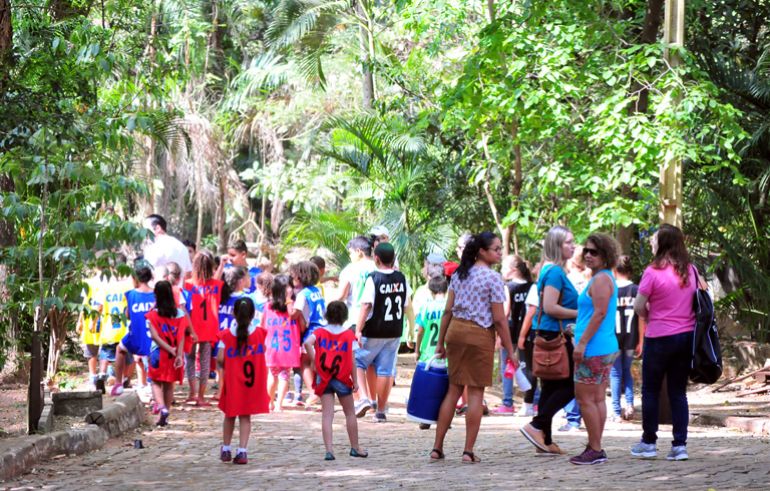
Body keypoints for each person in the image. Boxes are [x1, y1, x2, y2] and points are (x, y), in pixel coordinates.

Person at [429, 232, 516, 464]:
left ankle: (437, 447)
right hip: (480, 335)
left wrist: (440, 342)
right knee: (476, 393)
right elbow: (499, 319)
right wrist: (510, 349)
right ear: (482, 251)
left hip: (455, 331)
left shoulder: (459, 274)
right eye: (496, 249)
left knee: (453, 390)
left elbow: (447, 310)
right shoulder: (493, 279)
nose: (499, 252)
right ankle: (468, 451)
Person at [631, 224, 699, 462]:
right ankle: (679, 445)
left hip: (659, 337)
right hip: (686, 337)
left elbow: (639, 306)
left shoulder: (652, 271)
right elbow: (700, 300)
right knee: (678, 392)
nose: (651, 243)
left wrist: (651, 315)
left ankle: (649, 442)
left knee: (650, 389)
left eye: (654, 240)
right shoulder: (691, 271)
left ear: (662, 244)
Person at [520, 225, 578, 456]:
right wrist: (581, 313)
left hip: (549, 334)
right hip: (554, 336)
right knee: (571, 384)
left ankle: (544, 437)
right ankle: (537, 425)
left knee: (551, 386)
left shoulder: (551, 270)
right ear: (556, 245)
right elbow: (549, 307)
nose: (573, 246)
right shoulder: (554, 272)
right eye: (568, 242)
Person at [570, 234, 621, 465]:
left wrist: (581, 343)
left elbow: (600, 313)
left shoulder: (601, 279)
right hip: (602, 346)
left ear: (606, 255)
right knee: (597, 398)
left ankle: (595, 448)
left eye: (594, 252)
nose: (588, 255)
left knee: (586, 399)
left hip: (593, 348)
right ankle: (595, 446)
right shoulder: (604, 277)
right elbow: (595, 313)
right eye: (586, 251)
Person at [353, 242, 412, 422]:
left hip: (374, 330)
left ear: (376, 259)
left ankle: (364, 398)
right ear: (393, 259)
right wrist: (410, 326)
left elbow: (365, 306)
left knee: (357, 361)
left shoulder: (374, 278)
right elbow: (407, 305)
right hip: (394, 331)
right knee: (385, 371)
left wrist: (358, 329)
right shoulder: (402, 278)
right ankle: (380, 411)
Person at [304, 301, 368, 461]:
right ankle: (355, 447)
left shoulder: (319, 332)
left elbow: (307, 343)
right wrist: (355, 381)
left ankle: (329, 450)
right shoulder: (348, 335)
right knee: (350, 414)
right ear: (344, 316)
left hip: (324, 376)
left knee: (327, 415)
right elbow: (353, 361)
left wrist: (315, 361)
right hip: (342, 377)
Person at [217, 297, 270, 465]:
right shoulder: (261, 334)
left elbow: (219, 359)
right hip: (251, 385)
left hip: (233, 384)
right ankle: (242, 451)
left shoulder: (225, 335)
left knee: (229, 416)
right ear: (253, 314)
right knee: (245, 417)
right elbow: (264, 351)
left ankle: (226, 449)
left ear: (234, 313)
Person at [184, 251, 225, 406]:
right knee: (205, 361)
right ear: (210, 267)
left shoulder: (188, 284)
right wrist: (221, 266)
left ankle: (191, 393)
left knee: (190, 360)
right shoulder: (216, 285)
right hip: (209, 328)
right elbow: (217, 278)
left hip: (191, 327)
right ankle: (201, 397)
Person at [146, 281, 188, 426]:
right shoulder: (180, 314)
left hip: (157, 352)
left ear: (156, 295)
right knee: (169, 384)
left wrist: (168, 349)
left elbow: (154, 336)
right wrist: (178, 354)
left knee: (155, 381)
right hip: (174, 353)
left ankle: (162, 407)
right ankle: (166, 413)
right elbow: (182, 336)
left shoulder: (152, 315)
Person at [111, 263, 155, 396]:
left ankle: (118, 383)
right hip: (153, 336)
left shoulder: (130, 295)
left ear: (135, 278)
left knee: (120, 349)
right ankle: (153, 386)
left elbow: (128, 315)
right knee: (153, 357)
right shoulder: (155, 294)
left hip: (135, 335)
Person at [498, 255, 533, 414]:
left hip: (510, 331)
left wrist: (499, 335)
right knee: (529, 367)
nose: (501, 270)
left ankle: (507, 402)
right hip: (527, 331)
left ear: (513, 270)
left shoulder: (508, 287)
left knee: (507, 366)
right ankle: (533, 400)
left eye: (503, 267)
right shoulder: (532, 285)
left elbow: (505, 313)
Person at [612, 255, 645, 421]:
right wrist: (641, 340)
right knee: (626, 371)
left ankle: (616, 411)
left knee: (615, 373)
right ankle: (630, 404)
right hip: (631, 337)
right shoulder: (637, 290)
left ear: (614, 270)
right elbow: (641, 317)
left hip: (613, 338)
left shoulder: (610, 290)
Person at [262, 274, 301, 412]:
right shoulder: (293, 308)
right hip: (288, 346)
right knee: (284, 375)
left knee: (272, 375)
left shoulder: (268, 306)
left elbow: (262, 326)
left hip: (272, 346)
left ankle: (269, 402)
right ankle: (279, 405)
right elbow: (300, 322)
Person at [290, 261, 326, 407]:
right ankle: (320, 392)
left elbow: (295, 313)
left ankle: (313, 393)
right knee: (315, 362)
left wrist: (287, 303)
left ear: (300, 277)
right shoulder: (316, 291)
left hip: (311, 331)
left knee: (304, 362)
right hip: (323, 329)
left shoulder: (302, 294)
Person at [215, 266, 250, 400]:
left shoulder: (221, 297)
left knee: (221, 364)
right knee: (237, 364)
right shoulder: (245, 298)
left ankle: (221, 391)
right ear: (240, 281)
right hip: (238, 336)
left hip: (221, 337)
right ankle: (237, 390)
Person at [100, 267, 133, 394]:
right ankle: (126, 378)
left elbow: (99, 306)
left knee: (105, 354)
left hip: (109, 327)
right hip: (124, 328)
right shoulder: (128, 287)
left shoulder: (106, 286)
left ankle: (102, 374)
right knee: (127, 356)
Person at [516, 262, 542, 417]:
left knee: (530, 370)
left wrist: (522, 335)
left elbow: (531, 311)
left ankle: (528, 403)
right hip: (544, 332)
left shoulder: (536, 287)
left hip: (533, 332)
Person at [336, 236, 376, 329]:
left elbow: (341, 296)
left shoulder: (350, 269)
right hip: (377, 322)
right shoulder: (378, 267)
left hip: (355, 320)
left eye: (351, 253)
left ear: (358, 251)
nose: (350, 256)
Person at [142, 214, 193, 280]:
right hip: (178, 289)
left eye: (146, 230)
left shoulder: (152, 247)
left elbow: (146, 273)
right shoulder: (182, 247)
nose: (143, 234)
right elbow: (188, 273)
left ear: (158, 228)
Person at [76, 274, 103, 391]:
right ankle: (94, 377)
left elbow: (100, 305)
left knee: (103, 351)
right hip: (90, 320)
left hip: (101, 320)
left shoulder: (106, 283)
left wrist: (91, 320)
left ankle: (102, 376)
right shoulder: (88, 283)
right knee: (91, 349)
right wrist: (80, 321)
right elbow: (85, 303)